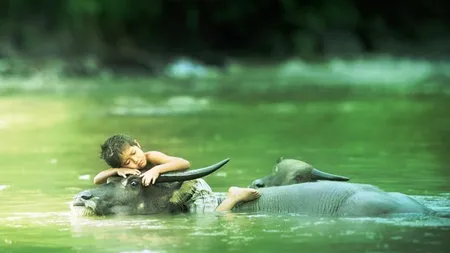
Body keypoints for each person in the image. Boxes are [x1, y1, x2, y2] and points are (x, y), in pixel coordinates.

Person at [93, 134, 260, 212]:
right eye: (127, 162)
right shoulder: (126, 171)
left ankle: (234, 196)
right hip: (174, 196)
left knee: (212, 218)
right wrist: (115, 170)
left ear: (138, 144)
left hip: (191, 189)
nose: (135, 161)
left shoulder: (152, 157)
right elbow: (97, 180)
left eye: (134, 153)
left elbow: (184, 164)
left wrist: (157, 169)